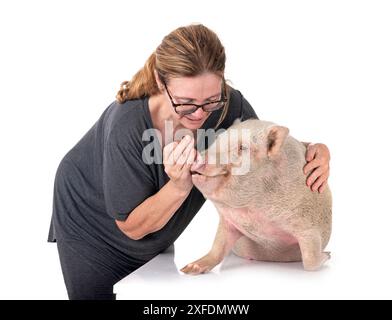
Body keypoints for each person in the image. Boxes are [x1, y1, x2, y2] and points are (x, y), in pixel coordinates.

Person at [47, 24, 331, 300]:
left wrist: (315, 149)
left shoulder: (229, 107)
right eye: (185, 102)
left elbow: (263, 150)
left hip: (157, 223)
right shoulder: (128, 125)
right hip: (90, 219)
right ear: (161, 82)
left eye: (211, 101)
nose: (198, 114)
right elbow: (132, 228)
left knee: (154, 277)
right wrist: (179, 187)